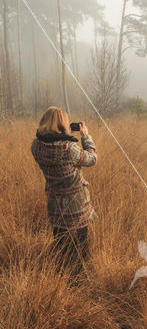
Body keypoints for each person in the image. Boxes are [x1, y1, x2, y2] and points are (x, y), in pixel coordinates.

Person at [31, 106, 97, 274]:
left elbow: (60, 167)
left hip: (55, 206)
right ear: (62, 124)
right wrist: (85, 136)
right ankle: (75, 283)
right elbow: (92, 159)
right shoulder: (69, 148)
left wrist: (77, 175)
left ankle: (61, 278)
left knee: (61, 247)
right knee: (78, 248)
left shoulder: (36, 146)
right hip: (76, 208)